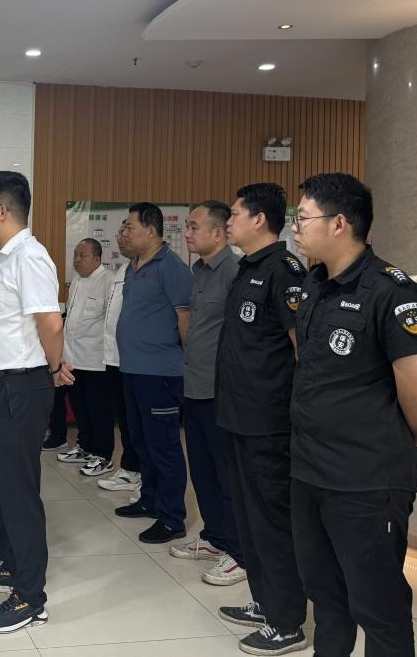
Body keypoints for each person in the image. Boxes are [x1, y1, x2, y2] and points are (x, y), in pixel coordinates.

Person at [291, 173, 417, 657]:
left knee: (378, 605)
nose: (295, 227)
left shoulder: (392, 291)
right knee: (325, 596)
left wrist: (408, 439)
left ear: (338, 223)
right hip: (310, 471)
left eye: (302, 217)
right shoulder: (313, 284)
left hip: (366, 480)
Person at [0, 171, 73, 633]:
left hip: (21, 387)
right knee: (4, 483)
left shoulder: (30, 257)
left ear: (1, 211)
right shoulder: (6, 258)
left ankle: (31, 598)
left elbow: (50, 323)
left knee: (18, 491)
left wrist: (53, 368)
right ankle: (15, 565)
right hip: (3, 385)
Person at [215, 183, 308, 655]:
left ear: (259, 220)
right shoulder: (247, 267)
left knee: (272, 520)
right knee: (249, 518)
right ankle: (265, 601)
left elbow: (300, 348)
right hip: (239, 415)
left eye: (234, 214)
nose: (228, 221)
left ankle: (287, 621)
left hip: (269, 420)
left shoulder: (284, 270)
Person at [170, 202, 246, 586]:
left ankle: (239, 552)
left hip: (221, 392)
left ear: (219, 233)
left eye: (194, 227)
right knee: (202, 471)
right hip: (195, 385)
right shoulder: (198, 270)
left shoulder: (236, 272)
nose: (186, 233)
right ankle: (214, 537)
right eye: (186, 226)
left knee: (227, 474)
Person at [113, 202, 193, 545]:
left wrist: (186, 364)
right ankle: (150, 499)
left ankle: (172, 517)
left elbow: (185, 320)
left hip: (160, 373)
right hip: (132, 369)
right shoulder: (133, 266)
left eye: (129, 227)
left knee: (164, 446)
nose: (124, 233)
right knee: (141, 441)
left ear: (150, 230)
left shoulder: (172, 268)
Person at [56, 239, 113, 476]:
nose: (77, 260)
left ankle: (103, 455)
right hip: (73, 358)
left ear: (97, 259)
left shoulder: (108, 281)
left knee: (98, 409)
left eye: (83, 256)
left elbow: (110, 321)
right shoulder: (77, 281)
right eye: (75, 255)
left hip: (96, 359)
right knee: (79, 407)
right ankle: (85, 446)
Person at [97, 219, 143, 494]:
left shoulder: (149, 270)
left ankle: (142, 474)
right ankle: (130, 469)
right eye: (120, 231)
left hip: (134, 359)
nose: (121, 237)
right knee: (125, 421)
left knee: (138, 424)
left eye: (127, 230)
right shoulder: (123, 269)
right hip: (115, 357)